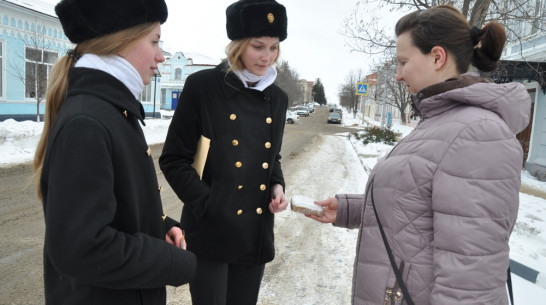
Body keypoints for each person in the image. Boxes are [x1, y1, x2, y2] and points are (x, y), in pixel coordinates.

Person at [308, 4, 531, 305]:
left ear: (437, 57)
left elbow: (470, 283)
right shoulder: (443, 122)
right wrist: (349, 209)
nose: (398, 76)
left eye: (403, 62)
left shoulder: (478, 134)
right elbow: (420, 204)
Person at [33, 0, 196, 304]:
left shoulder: (110, 111)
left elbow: (112, 207)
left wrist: (157, 227)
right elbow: (81, 248)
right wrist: (171, 262)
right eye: (155, 41)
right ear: (121, 44)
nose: (161, 56)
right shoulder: (88, 122)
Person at [159, 0, 289, 304]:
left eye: (273, 47)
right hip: (210, 233)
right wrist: (209, 203)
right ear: (239, 44)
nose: (266, 56)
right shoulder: (202, 87)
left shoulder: (278, 99)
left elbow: (272, 157)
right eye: (258, 46)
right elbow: (174, 159)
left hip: (253, 234)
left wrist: (277, 185)